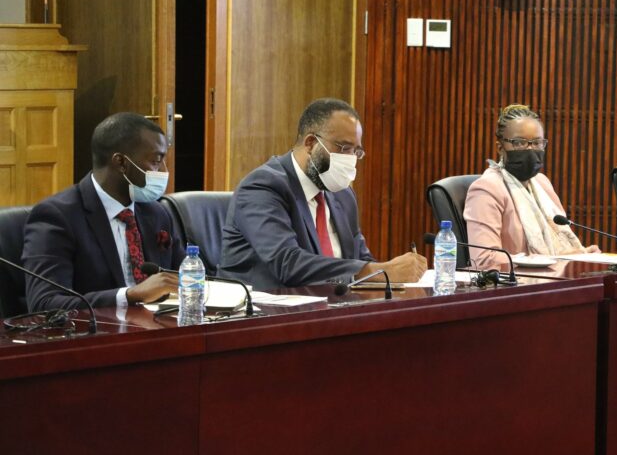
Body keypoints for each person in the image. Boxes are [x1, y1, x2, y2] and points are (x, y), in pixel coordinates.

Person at [219, 98, 426, 289]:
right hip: (265, 314)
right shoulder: (263, 187)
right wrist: (379, 271)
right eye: (344, 148)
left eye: (356, 151)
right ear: (310, 143)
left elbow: (361, 259)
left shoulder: (343, 195)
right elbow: (288, 264)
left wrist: (389, 273)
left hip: (331, 307)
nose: (351, 159)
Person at [22, 113, 184, 312]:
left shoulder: (156, 213)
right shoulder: (57, 216)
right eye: (155, 161)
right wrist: (130, 295)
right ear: (121, 163)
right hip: (97, 336)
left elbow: (181, 277)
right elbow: (44, 303)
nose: (162, 171)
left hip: (159, 330)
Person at [463, 104, 600, 269]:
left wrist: (581, 254)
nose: (530, 149)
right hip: (515, 288)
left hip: (550, 281)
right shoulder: (486, 190)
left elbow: (555, 247)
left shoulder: (542, 183)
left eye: (537, 143)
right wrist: (542, 260)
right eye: (519, 143)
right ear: (500, 148)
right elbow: (484, 259)